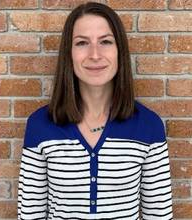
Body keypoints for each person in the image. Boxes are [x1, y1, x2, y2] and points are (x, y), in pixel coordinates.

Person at [17, 2, 172, 219]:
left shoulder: (149, 125)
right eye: (82, 43)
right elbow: (30, 214)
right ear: (68, 54)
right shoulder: (40, 124)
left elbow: (159, 215)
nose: (95, 54)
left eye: (106, 41)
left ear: (120, 51)